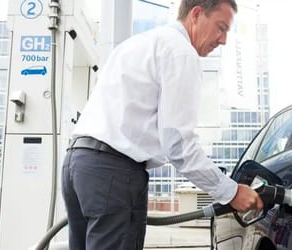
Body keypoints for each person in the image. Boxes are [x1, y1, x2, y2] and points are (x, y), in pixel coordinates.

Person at [61, 0, 264, 249]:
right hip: (113, 173)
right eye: (221, 27)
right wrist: (231, 192)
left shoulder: (135, 45)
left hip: (77, 165)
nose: (223, 40)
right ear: (197, 14)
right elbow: (178, 146)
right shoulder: (180, 52)